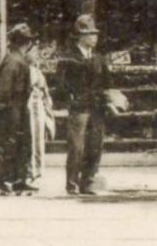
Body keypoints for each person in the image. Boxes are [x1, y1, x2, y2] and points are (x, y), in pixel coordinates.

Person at [61, 14, 110, 195]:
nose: (94, 38)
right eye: (90, 34)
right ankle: (72, 182)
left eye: (95, 34)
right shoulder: (68, 57)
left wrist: (108, 99)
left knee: (95, 144)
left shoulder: (99, 58)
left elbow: (107, 82)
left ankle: (88, 181)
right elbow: (62, 84)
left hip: (97, 107)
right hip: (79, 107)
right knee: (77, 146)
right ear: (81, 36)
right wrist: (72, 99)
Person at [0, 23, 35, 195]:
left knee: (20, 144)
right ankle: (0, 181)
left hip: (16, 108)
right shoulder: (15, 61)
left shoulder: (14, 59)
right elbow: (4, 89)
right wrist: (1, 111)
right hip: (12, 109)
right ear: (27, 43)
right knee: (12, 144)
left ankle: (18, 180)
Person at [27, 42, 55, 186]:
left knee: (38, 140)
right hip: (28, 107)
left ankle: (37, 172)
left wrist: (47, 106)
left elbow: (45, 91)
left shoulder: (37, 71)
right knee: (30, 139)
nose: (36, 55)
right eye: (33, 52)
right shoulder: (24, 70)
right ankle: (30, 172)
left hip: (39, 107)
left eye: (37, 52)